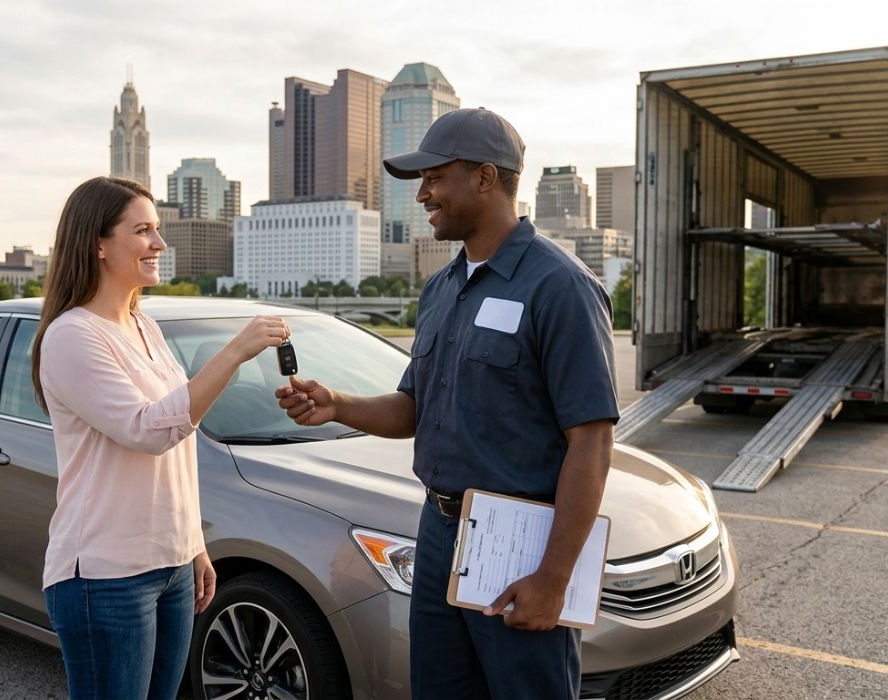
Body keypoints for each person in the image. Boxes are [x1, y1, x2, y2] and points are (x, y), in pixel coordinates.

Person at [276, 108, 618, 699]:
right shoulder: (441, 287)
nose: (422, 195)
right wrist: (337, 404)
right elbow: (413, 406)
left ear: (485, 177)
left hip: (517, 540)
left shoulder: (561, 286)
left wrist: (553, 576)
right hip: (436, 533)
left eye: (434, 178)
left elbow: (591, 441)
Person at [32, 176, 290, 699]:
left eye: (158, 229)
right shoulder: (72, 335)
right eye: (143, 230)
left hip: (171, 566)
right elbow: (149, 430)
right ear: (98, 244)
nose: (160, 243)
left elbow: (178, 452)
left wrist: (192, 543)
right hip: (106, 575)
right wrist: (234, 352)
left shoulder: (142, 326)